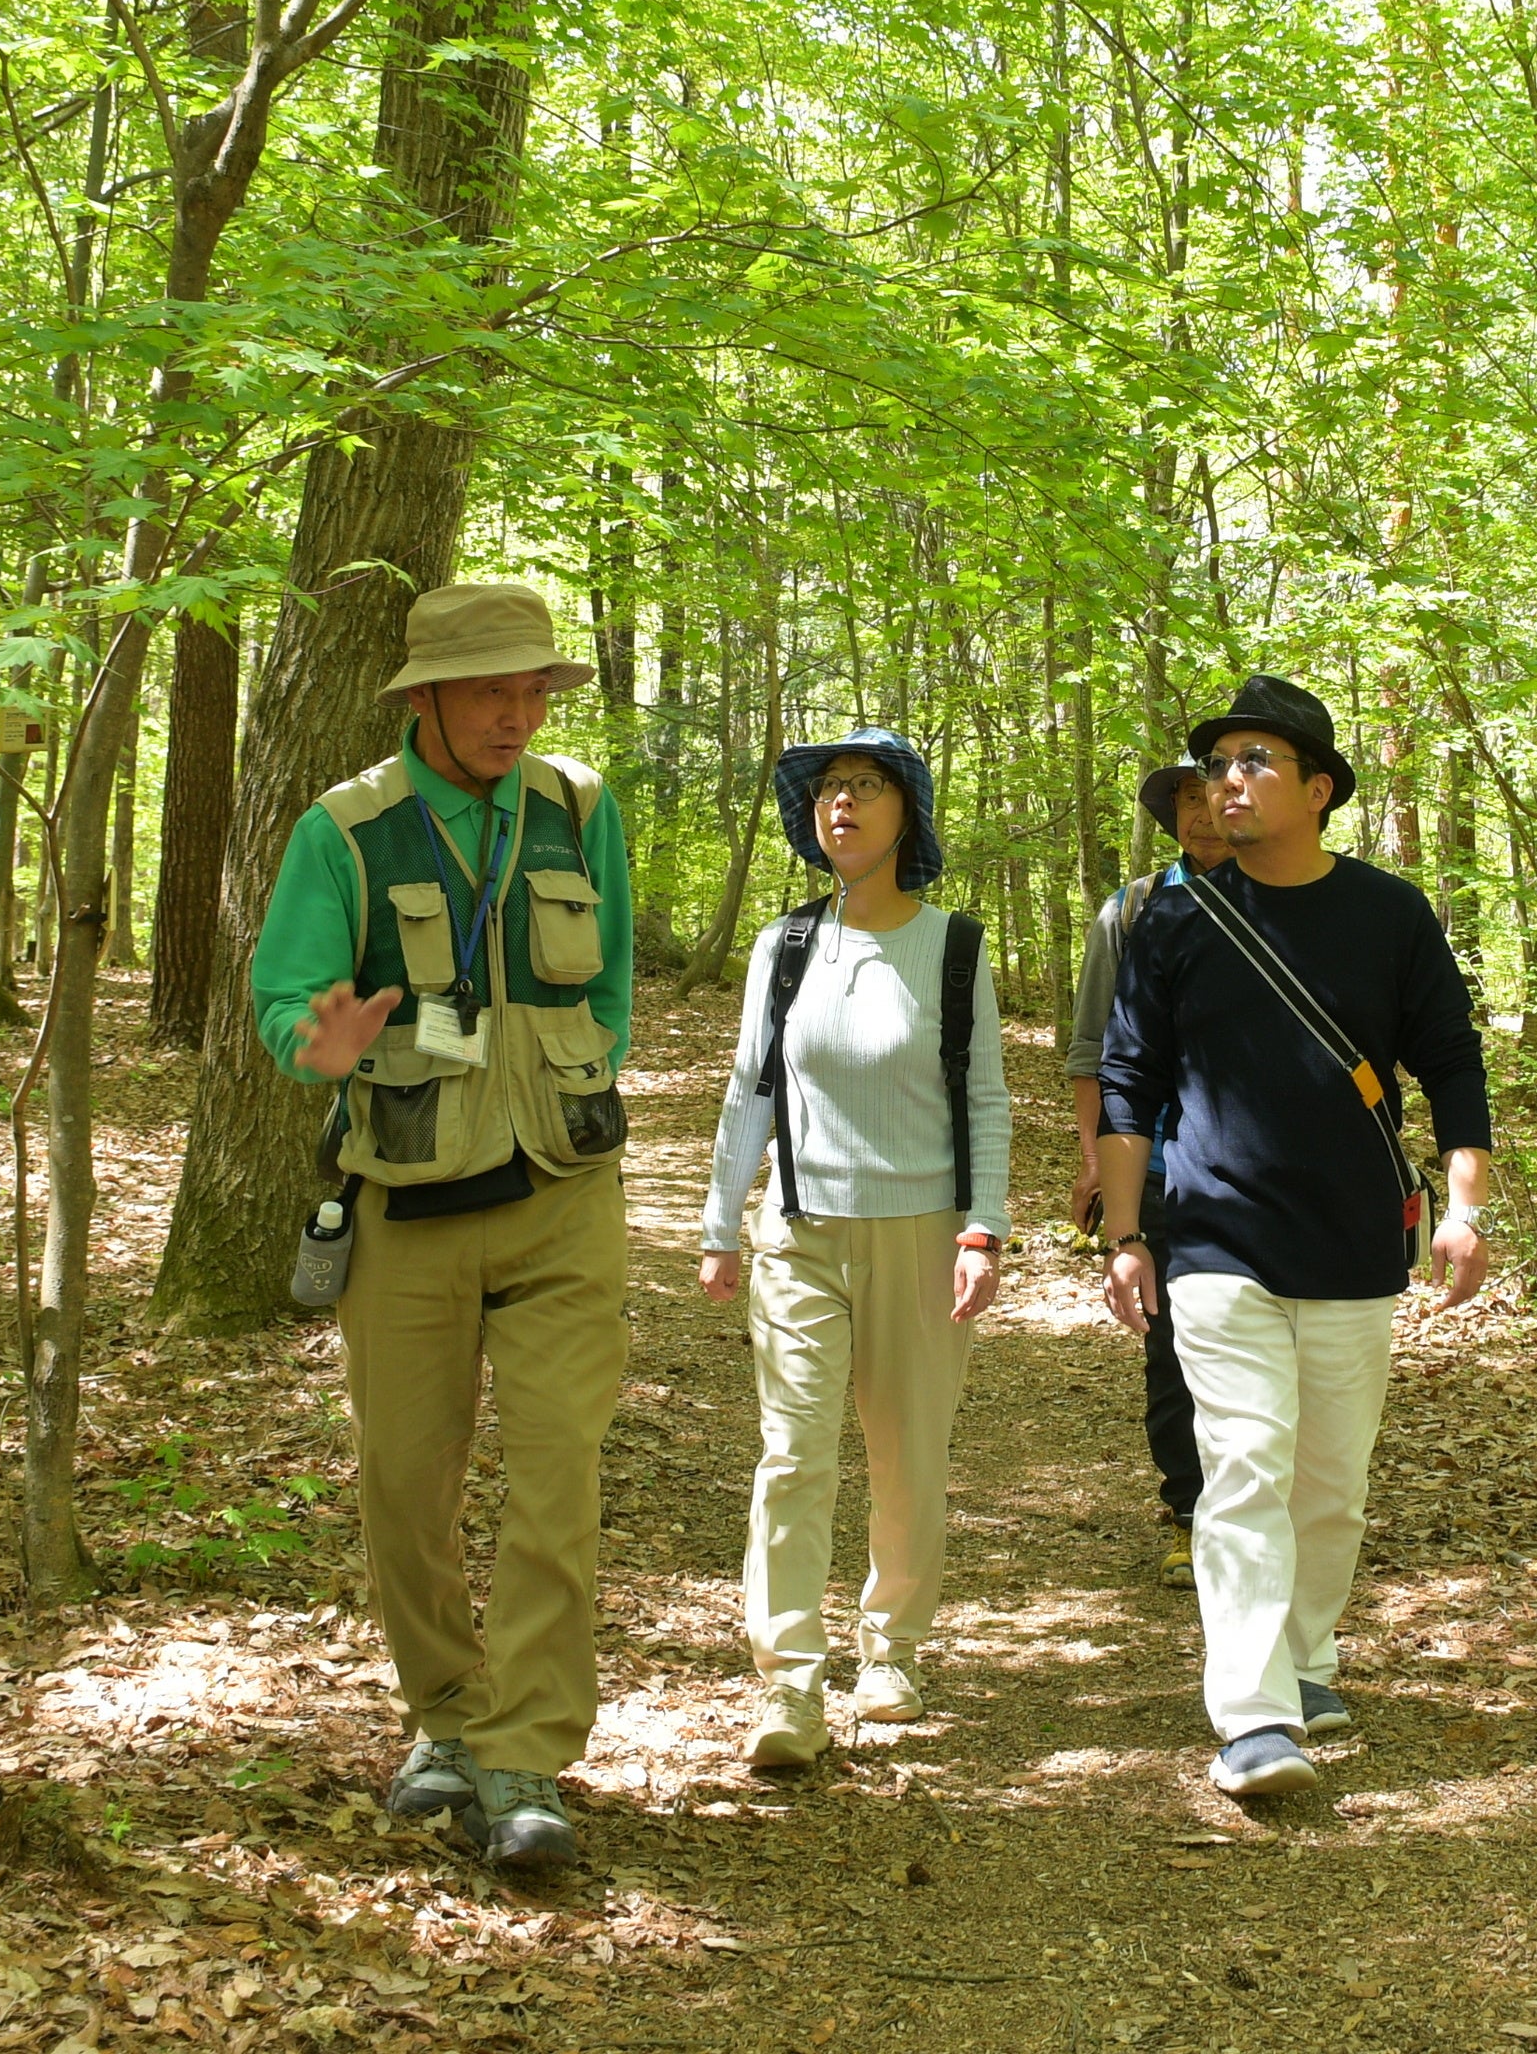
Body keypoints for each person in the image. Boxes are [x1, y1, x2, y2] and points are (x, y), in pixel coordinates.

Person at [249, 582, 637, 1875]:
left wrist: (560, 1080)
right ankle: (446, 1719)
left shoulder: (580, 812)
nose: (518, 714)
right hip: (408, 1205)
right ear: (424, 698)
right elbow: (285, 1003)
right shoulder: (347, 833)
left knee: (556, 1476)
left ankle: (527, 1755)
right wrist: (321, 1042)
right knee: (406, 1485)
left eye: (534, 691)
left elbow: (616, 986)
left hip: (561, 1198)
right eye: (492, 691)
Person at [1096, 673, 1496, 1800]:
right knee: (1243, 1466)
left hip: (1357, 1240)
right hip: (1213, 1237)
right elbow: (1128, 1080)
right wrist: (1126, 1234)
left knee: (1330, 1481)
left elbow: (1453, 1061)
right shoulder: (1171, 917)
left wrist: (1465, 1209)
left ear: (1318, 789)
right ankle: (1255, 1714)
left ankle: (1309, 1656)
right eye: (1219, 762)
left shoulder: (1390, 913)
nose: (1229, 778)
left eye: (1256, 760)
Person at [700, 728, 1012, 1769]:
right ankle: (789, 1680)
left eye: (867, 787)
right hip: (796, 1231)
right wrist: (718, 1223)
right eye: (830, 789)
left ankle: (892, 1649)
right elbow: (751, 1088)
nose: (843, 804)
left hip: (921, 1236)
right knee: (793, 1456)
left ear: (906, 815)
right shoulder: (783, 944)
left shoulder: (954, 947)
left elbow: (984, 1099)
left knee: (907, 1454)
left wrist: (984, 1227)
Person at [1063, 761, 1224, 1586]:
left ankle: (1264, 1513)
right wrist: (1097, 1161)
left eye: (1211, 795)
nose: (1199, 814)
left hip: (1263, 1169)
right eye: (1184, 800)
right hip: (1156, 1158)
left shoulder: (1288, 900)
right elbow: (1093, 1049)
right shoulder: (1129, 911)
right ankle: (1190, 1509)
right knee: (1172, 1343)